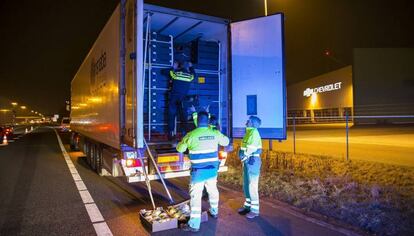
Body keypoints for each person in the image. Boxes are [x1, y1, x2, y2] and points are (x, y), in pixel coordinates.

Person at [176, 111, 230, 232]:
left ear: (197, 121)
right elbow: (226, 142)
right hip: (212, 170)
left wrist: (183, 143)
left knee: (196, 196)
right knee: (212, 190)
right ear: (208, 120)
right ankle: (214, 211)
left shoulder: (191, 135)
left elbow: (180, 149)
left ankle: (194, 225)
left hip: (198, 172)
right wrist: (216, 132)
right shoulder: (214, 133)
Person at [237, 116, 262, 219]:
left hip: (252, 161)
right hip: (248, 161)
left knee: (252, 186)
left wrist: (244, 157)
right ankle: (247, 206)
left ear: (252, 123)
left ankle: (255, 210)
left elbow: (250, 149)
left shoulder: (254, 133)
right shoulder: (248, 132)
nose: (246, 122)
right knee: (247, 185)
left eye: (249, 121)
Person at [168, 61, 195, 140]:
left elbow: (170, 73)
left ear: (181, 67)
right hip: (183, 99)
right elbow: (194, 75)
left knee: (171, 115)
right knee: (183, 116)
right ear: (187, 68)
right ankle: (184, 134)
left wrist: (174, 67)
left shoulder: (177, 73)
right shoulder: (190, 76)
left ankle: (171, 133)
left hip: (174, 97)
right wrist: (191, 67)